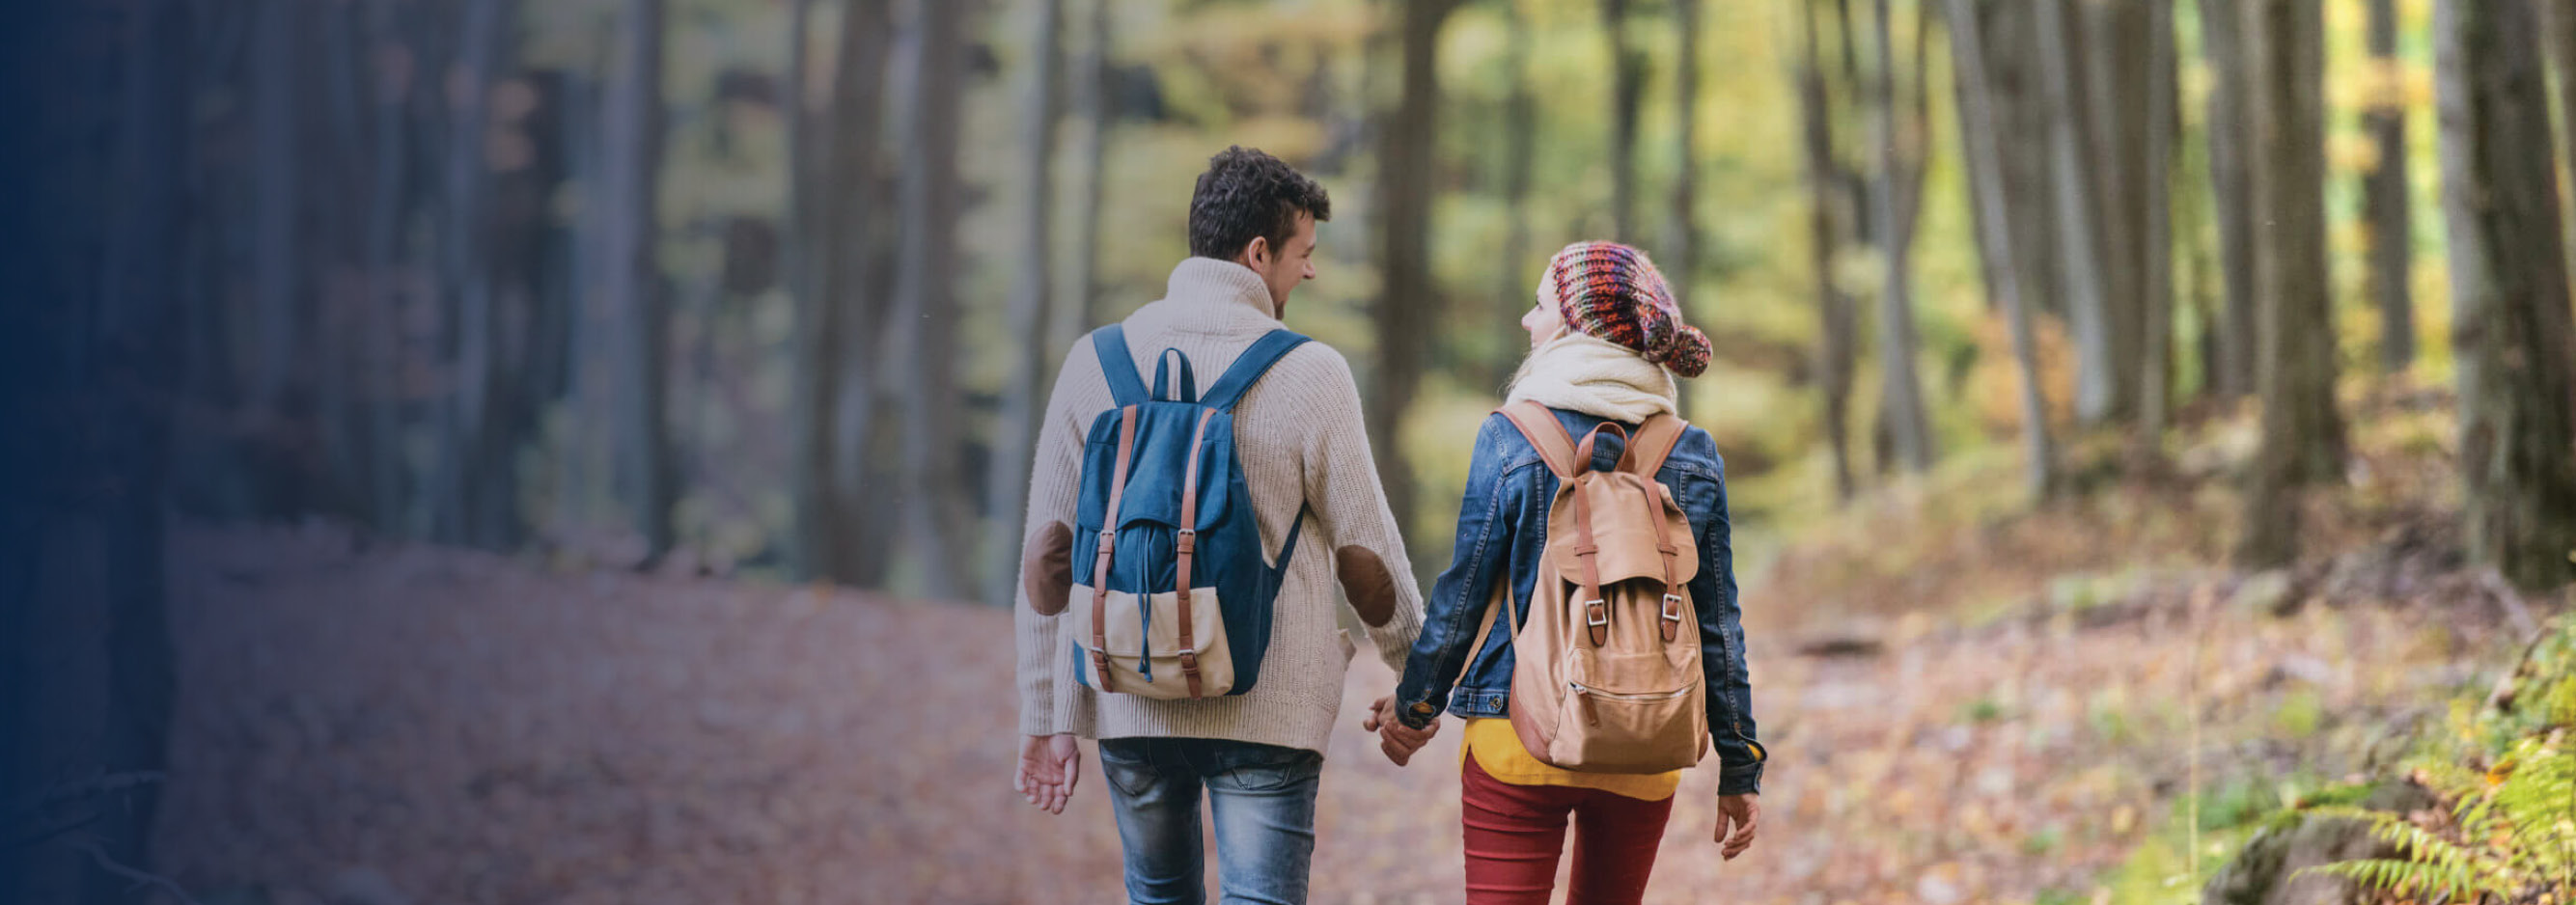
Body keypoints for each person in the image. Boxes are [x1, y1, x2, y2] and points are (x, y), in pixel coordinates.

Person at [1009, 146, 1430, 905]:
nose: (1308, 273)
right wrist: (1416, 681)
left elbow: (1049, 556)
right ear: (1257, 251)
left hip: (1132, 693)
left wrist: (1048, 716)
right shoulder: (1310, 371)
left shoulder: (1094, 361)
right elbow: (1365, 554)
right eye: (1303, 253)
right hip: (1267, 708)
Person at [1368, 241, 1766, 905]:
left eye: (1540, 305)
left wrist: (1414, 707)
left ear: (1578, 325)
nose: (1528, 321)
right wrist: (1739, 764)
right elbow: (1718, 626)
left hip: (1516, 732)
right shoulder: (1690, 452)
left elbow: (1463, 594)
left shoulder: (1513, 433)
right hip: (1645, 738)